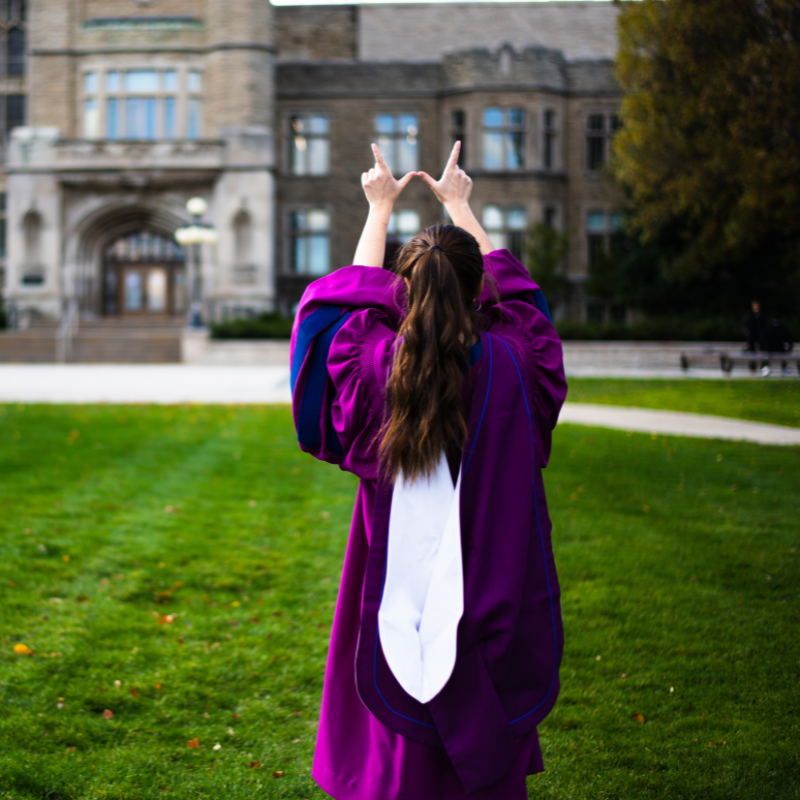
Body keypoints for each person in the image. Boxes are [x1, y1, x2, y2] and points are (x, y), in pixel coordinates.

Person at [290, 141, 567, 800]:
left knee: (403, 645)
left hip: (392, 548)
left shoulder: (376, 366)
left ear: (403, 289)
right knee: (479, 656)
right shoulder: (515, 363)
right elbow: (522, 301)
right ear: (478, 287)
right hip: (493, 552)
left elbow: (346, 313)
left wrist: (378, 210)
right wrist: (461, 205)